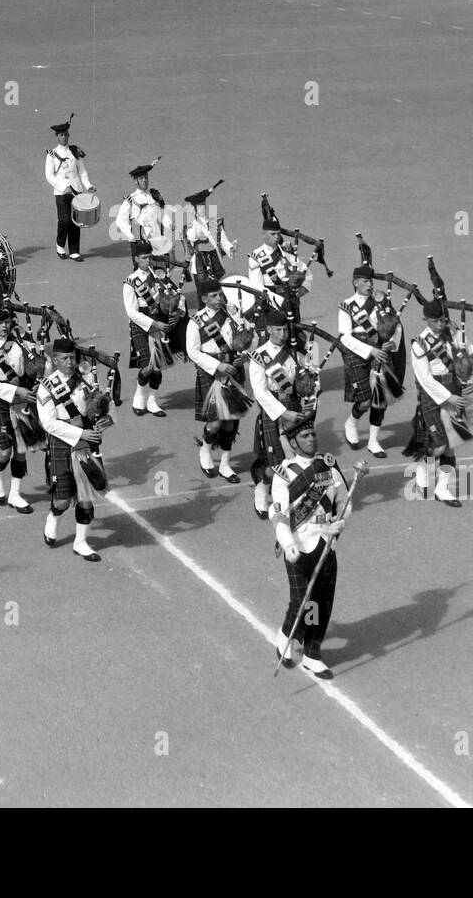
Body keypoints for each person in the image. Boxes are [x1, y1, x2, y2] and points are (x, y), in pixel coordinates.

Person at [269, 416, 350, 679]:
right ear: (293, 442)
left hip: (325, 542)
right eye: (304, 436)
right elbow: (278, 514)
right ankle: (285, 635)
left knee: (320, 601)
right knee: (301, 600)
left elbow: (344, 501)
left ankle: (312, 653)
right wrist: (287, 543)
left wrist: (341, 522)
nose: (311, 439)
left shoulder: (328, 466)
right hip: (298, 543)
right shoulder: (284, 473)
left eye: (312, 434)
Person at [36, 336, 112, 561]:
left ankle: (81, 542)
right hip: (61, 443)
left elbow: (105, 405)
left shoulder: (87, 379)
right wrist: (80, 433)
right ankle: (54, 516)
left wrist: (106, 419)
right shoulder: (46, 387)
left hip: (85, 445)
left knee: (85, 498)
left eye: (72, 357)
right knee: (62, 500)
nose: (70, 362)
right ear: (55, 360)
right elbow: (49, 424)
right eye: (64, 358)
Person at [402, 299, 473, 506]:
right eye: (434, 321)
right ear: (425, 319)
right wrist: (447, 397)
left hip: (454, 388)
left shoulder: (455, 334)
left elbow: (470, 356)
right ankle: (422, 469)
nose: (439, 325)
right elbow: (423, 378)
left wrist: (472, 379)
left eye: (442, 320)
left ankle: (442, 489)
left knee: (452, 444)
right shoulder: (420, 343)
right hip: (432, 394)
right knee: (440, 445)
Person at [186, 279, 255, 482]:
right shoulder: (195, 322)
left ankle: (225, 464)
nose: (218, 298)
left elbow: (249, 339)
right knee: (215, 422)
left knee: (231, 421)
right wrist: (217, 366)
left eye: (220, 294)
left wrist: (246, 355)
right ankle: (205, 450)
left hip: (234, 367)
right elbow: (192, 352)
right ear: (204, 298)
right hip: (211, 371)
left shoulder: (233, 315)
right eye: (214, 296)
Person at [248, 308, 315, 519]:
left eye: (285, 328)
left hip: (295, 406)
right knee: (276, 463)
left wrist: (309, 388)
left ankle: (291, 500)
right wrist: (284, 413)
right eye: (278, 329)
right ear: (268, 329)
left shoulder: (295, 351)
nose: (283, 333)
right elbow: (260, 391)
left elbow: (308, 378)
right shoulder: (259, 356)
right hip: (274, 411)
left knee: (297, 458)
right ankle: (261, 485)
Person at [337, 265, 405, 456]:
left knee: (379, 399)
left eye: (371, 281)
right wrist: (371, 350)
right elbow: (345, 337)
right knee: (365, 400)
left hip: (381, 351)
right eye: (365, 281)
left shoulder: (382, 303)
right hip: (357, 353)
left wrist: (392, 343)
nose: (369, 285)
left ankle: (374, 441)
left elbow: (395, 326)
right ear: (355, 282)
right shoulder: (346, 306)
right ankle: (351, 421)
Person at [0, 305, 37, 513]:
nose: (4, 326)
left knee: (21, 449)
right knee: (5, 450)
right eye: (0, 323)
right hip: (1, 400)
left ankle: (15, 494)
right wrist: (15, 391)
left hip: (22, 399)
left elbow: (34, 367)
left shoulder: (21, 342)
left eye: (7, 322)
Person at [122, 238, 181, 416]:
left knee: (158, 365)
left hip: (160, 320)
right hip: (142, 324)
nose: (148, 261)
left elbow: (177, 295)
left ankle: (152, 400)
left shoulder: (160, 275)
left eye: (149, 257)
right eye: (144, 258)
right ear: (136, 259)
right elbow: (131, 312)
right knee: (148, 365)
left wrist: (176, 311)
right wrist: (154, 324)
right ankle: (139, 395)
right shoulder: (130, 282)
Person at [247, 216, 312, 343]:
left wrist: (301, 290)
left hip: (291, 301)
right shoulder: (256, 257)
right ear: (263, 235)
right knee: (274, 340)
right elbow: (257, 287)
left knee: (296, 338)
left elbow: (307, 273)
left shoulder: (288, 253)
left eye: (278, 234)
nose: (276, 237)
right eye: (272, 234)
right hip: (271, 304)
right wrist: (279, 300)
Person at [45, 116, 93, 261]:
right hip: (61, 192)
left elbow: (82, 171)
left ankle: (74, 251)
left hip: (76, 191)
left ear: (68, 135)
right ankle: (60, 245)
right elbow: (49, 175)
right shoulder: (51, 155)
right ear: (57, 137)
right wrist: (63, 186)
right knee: (64, 220)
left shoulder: (74, 152)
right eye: (61, 135)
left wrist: (88, 185)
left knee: (75, 222)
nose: (64, 137)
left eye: (66, 134)